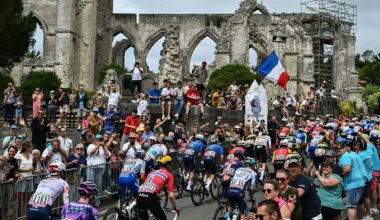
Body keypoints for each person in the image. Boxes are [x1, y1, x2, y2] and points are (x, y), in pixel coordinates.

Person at [137, 155, 180, 220]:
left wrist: (156, 194)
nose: (171, 166)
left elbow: (148, 186)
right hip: (150, 197)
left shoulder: (151, 172)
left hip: (139, 196)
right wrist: (175, 207)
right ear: (167, 165)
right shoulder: (168, 175)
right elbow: (171, 196)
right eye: (170, 164)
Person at [336, 141, 366, 220]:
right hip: (358, 182)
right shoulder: (351, 154)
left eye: (341, 148)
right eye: (337, 149)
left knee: (351, 207)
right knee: (359, 204)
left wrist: (339, 176)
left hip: (352, 185)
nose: (339, 150)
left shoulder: (345, 156)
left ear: (346, 147)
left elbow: (347, 169)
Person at [287, 155, 322, 220]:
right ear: (288, 168)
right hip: (302, 215)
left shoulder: (304, 179)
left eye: (295, 166)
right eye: (291, 167)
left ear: (300, 167)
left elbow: (298, 194)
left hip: (312, 216)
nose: (293, 169)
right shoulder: (290, 181)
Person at [118, 149, 146, 214]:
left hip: (121, 177)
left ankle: (118, 214)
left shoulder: (128, 160)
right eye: (144, 155)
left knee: (121, 199)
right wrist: (145, 184)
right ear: (141, 155)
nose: (144, 157)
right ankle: (129, 208)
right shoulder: (142, 161)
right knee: (139, 195)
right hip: (130, 178)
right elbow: (142, 176)